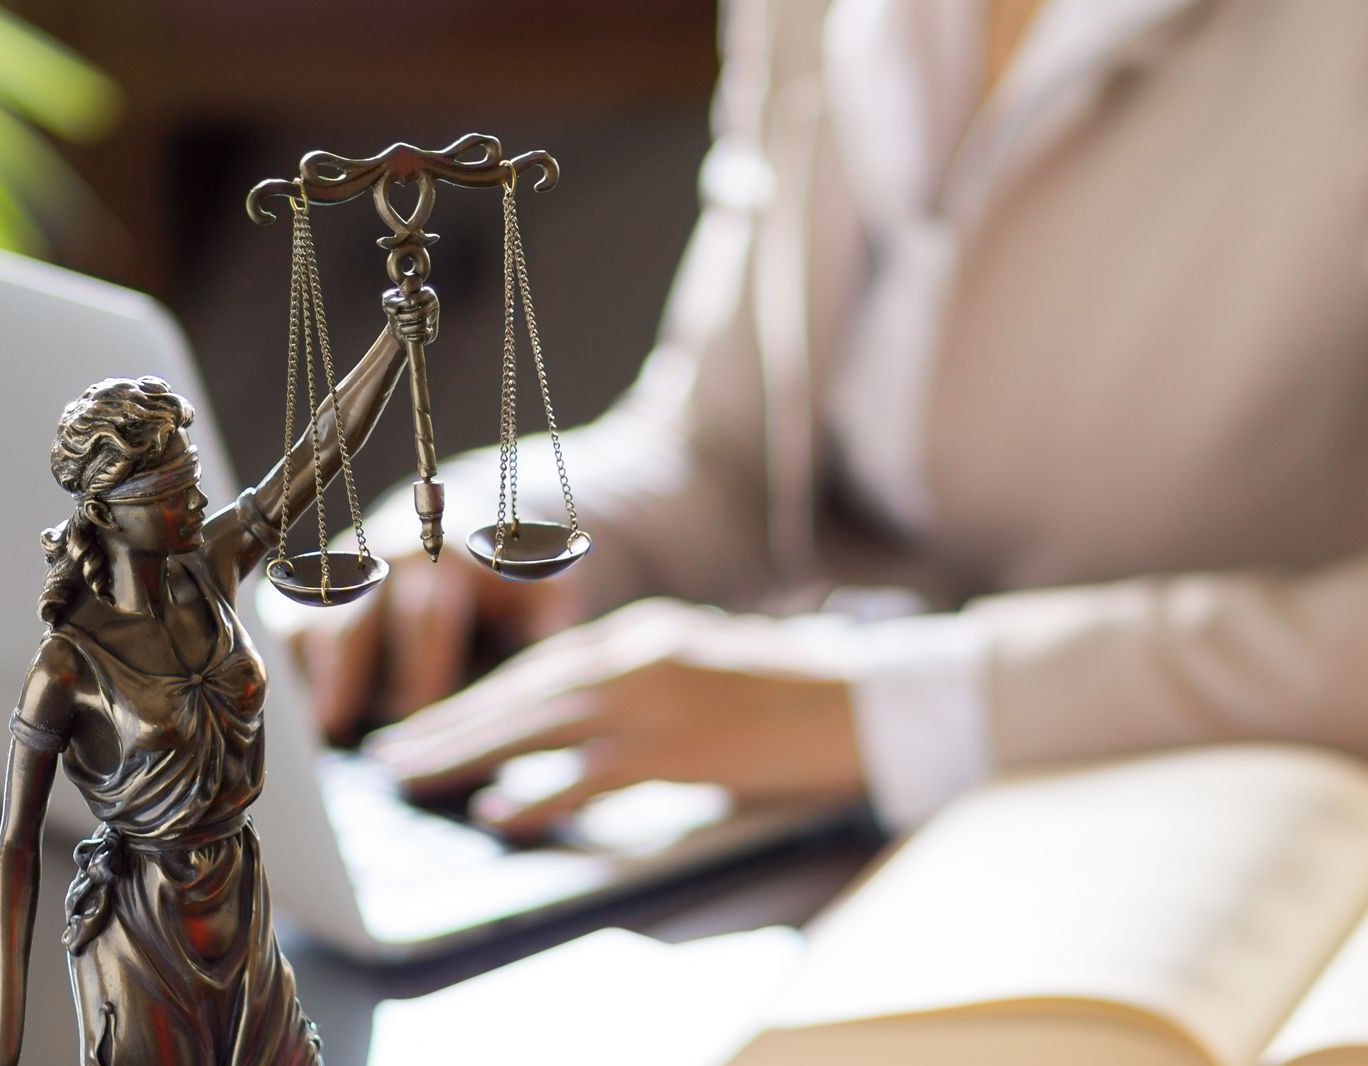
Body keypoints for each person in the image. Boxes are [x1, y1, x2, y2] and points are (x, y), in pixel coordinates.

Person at [298, 0, 1368, 837]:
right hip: (839, 845)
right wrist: (497, 523)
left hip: (1220, 863)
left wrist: (889, 706)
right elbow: (725, 453)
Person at [0, 287, 434, 1066]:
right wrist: (2, 1043)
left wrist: (397, 335)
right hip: (142, 936)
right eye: (169, 489)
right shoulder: (69, 665)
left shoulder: (210, 568)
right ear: (108, 510)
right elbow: (11, 847)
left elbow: (316, 452)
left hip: (242, 909)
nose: (195, 500)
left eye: (191, 476)